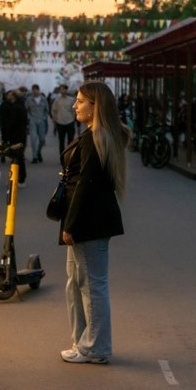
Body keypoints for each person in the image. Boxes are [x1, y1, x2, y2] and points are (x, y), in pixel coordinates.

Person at [58, 81, 129, 365]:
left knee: (91, 285)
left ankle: (95, 346)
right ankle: (84, 341)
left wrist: (71, 225)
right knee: (78, 283)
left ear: (95, 106)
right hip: (91, 219)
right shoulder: (101, 136)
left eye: (80, 101)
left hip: (88, 221)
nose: (75, 105)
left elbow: (86, 185)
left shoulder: (94, 138)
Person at [0, 90, 28, 187]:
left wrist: (5, 134)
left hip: (15, 136)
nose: (8, 97)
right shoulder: (21, 106)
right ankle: (19, 178)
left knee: (17, 157)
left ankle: (19, 179)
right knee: (19, 157)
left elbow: (12, 123)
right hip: (21, 135)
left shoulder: (15, 108)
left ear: (14, 96)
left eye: (10, 95)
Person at [26, 84, 49, 163]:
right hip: (32, 121)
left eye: (36, 90)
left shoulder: (43, 99)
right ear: (32, 90)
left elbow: (47, 109)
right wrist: (29, 118)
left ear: (39, 90)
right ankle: (34, 157)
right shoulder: (29, 100)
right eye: (33, 90)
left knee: (42, 139)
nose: (35, 91)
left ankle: (39, 151)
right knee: (33, 139)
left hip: (41, 121)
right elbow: (26, 110)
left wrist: (44, 117)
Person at [52, 85, 76, 159]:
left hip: (70, 121)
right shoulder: (57, 100)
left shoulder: (71, 100)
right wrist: (55, 119)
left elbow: (74, 111)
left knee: (70, 140)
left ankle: (70, 156)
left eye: (64, 89)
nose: (63, 91)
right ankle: (62, 157)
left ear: (66, 90)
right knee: (61, 141)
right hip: (60, 123)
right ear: (59, 91)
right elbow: (54, 110)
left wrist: (73, 118)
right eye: (61, 89)